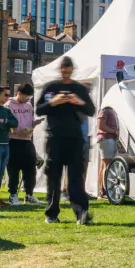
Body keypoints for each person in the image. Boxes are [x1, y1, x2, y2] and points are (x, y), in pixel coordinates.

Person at [36, 57, 96, 225]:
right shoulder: (51, 88)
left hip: (75, 138)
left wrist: (79, 102)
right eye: (63, 70)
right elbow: (39, 109)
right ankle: (52, 214)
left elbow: (91, 110)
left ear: (72, 70)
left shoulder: (79, 88)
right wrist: (54, 102)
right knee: (53, 177)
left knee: (76, 177)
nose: (66, 73)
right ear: (60, 69)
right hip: (55, 138)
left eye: (68, 70)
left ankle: (81, 213)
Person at [5, 83, 43, 206]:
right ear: (19, 93)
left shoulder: (29, 106)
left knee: (31, 168)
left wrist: (34, 123)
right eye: (26, 96)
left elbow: (30, 121)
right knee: (13, 169)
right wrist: (14, 130)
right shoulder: (8, 105)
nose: (27, 99)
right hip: (13, 140)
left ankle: (29, 194)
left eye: (29, 97)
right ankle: (13, 195)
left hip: (27, 140)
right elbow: (6, 123)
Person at [96, 106, 119, 198]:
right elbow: (100, 125)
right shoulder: (105, 108)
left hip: (107, 139)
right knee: (107, 166)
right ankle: (105, 191)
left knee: (103, 166)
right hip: (106, 138)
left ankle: (103, 190)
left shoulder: (109, 109)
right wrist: (114, 131)